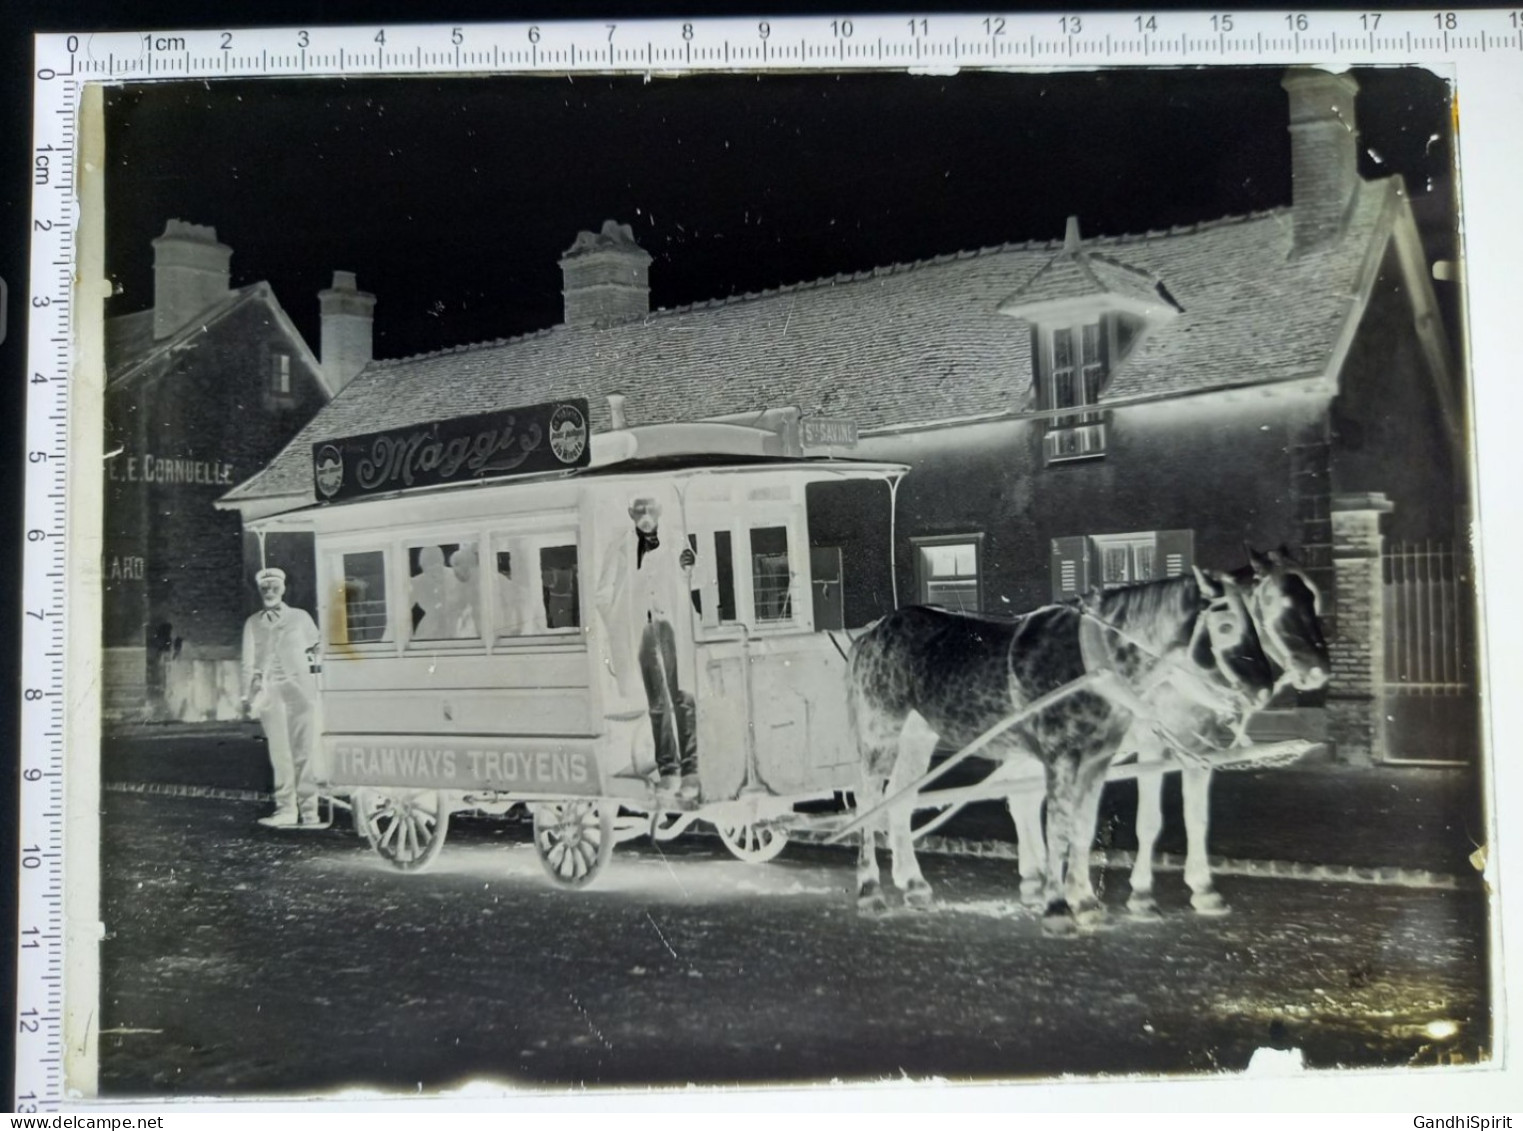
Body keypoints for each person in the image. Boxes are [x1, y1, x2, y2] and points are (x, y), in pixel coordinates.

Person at [596, 497, 702, 802]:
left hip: (673, 627)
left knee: (683, 696)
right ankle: (669, 771)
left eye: (650, 509)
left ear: (660, 511)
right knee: (657, 701)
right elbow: (602, 595)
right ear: (630, 513)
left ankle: (691, 770)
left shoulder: (676, 540)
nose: (645, 516)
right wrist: (619, 624)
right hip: (640, 632)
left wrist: (690, 567)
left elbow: (698, 579)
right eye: (639, 511)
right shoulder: (619, 547)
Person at [241, 567, 323, 828]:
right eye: (265, 588)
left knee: (304, 751)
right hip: (269, 693)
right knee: (280, 753)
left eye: (274, 587)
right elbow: (247, 662)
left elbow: (318, 647)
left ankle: (310, 812)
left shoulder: (300, 618)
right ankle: (286, 810)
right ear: (259, 590)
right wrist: (249, 695)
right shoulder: (253, 623)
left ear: (283, 589)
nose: (269, 592)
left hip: (300, 692)